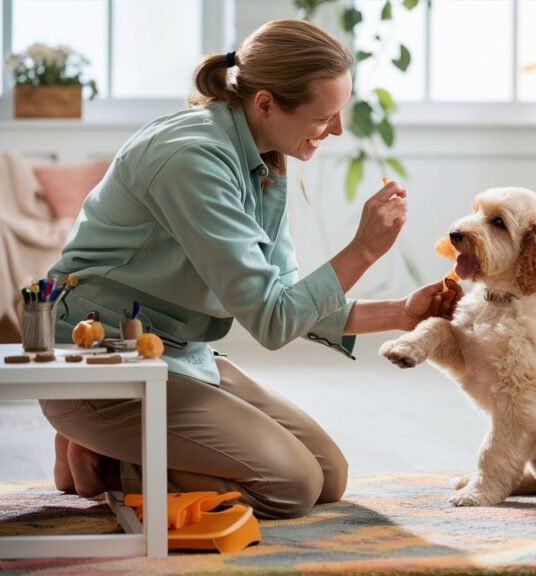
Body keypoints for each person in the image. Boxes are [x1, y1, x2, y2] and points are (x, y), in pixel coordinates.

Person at [41, 19, 452, 519]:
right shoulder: (193, 160)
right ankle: (106, 457)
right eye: (326, 116)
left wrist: (402, 313)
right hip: (103, 357)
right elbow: (272, 322)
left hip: (176, 354)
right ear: (265, 104)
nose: (337, 130)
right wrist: (362, 249)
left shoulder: (261, 157)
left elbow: (285, 297)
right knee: (292, 486)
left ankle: (114, 446)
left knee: (328, 476)